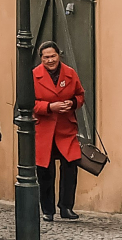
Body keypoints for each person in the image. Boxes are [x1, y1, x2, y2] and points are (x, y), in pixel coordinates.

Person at [32, 41, 85, 223]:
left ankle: (66, 207)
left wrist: (73, 103)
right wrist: (49, 107)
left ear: (58, 55)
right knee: (45, 171)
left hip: (65, 128)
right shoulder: (34, 76)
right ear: (41, 58)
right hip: (44, 129)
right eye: (46, 57)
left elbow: (80, 95)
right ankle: (47, 210)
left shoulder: (70, 73)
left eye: (53, 56)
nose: (50, 60)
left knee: (70, 167)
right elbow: (28, 104)